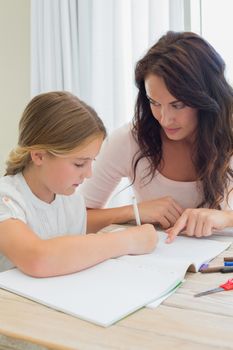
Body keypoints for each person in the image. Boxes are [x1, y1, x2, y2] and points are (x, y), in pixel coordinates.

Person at [79, 31, 233, 241]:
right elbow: (78, 218)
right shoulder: (129, 140)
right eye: (154, 103)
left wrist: (226, 218)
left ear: (206, 98)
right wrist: (135, 212)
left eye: (177, 105)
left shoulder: (229, 134)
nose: (165, 118)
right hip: (157, 265)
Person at [0, 91, 157, 276]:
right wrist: (129, 240)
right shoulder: (7, 199)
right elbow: (38, 259)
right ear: (39, 155)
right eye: (79, 164)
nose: (89, 174)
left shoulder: (70, 201)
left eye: (92, 161)